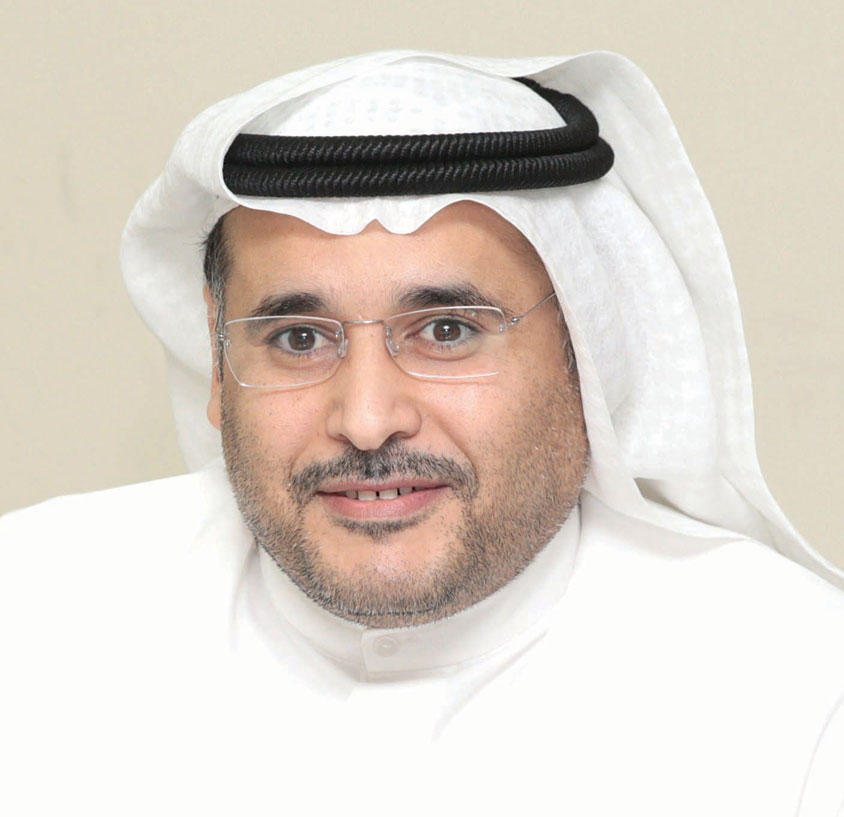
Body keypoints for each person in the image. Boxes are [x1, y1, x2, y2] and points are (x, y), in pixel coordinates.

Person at [2, 50, 842, 816]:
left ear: (584, 353)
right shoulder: (32, 620)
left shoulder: (799, 691)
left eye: (447, 331)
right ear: (221, 371)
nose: (368, 420)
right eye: (298, 338)